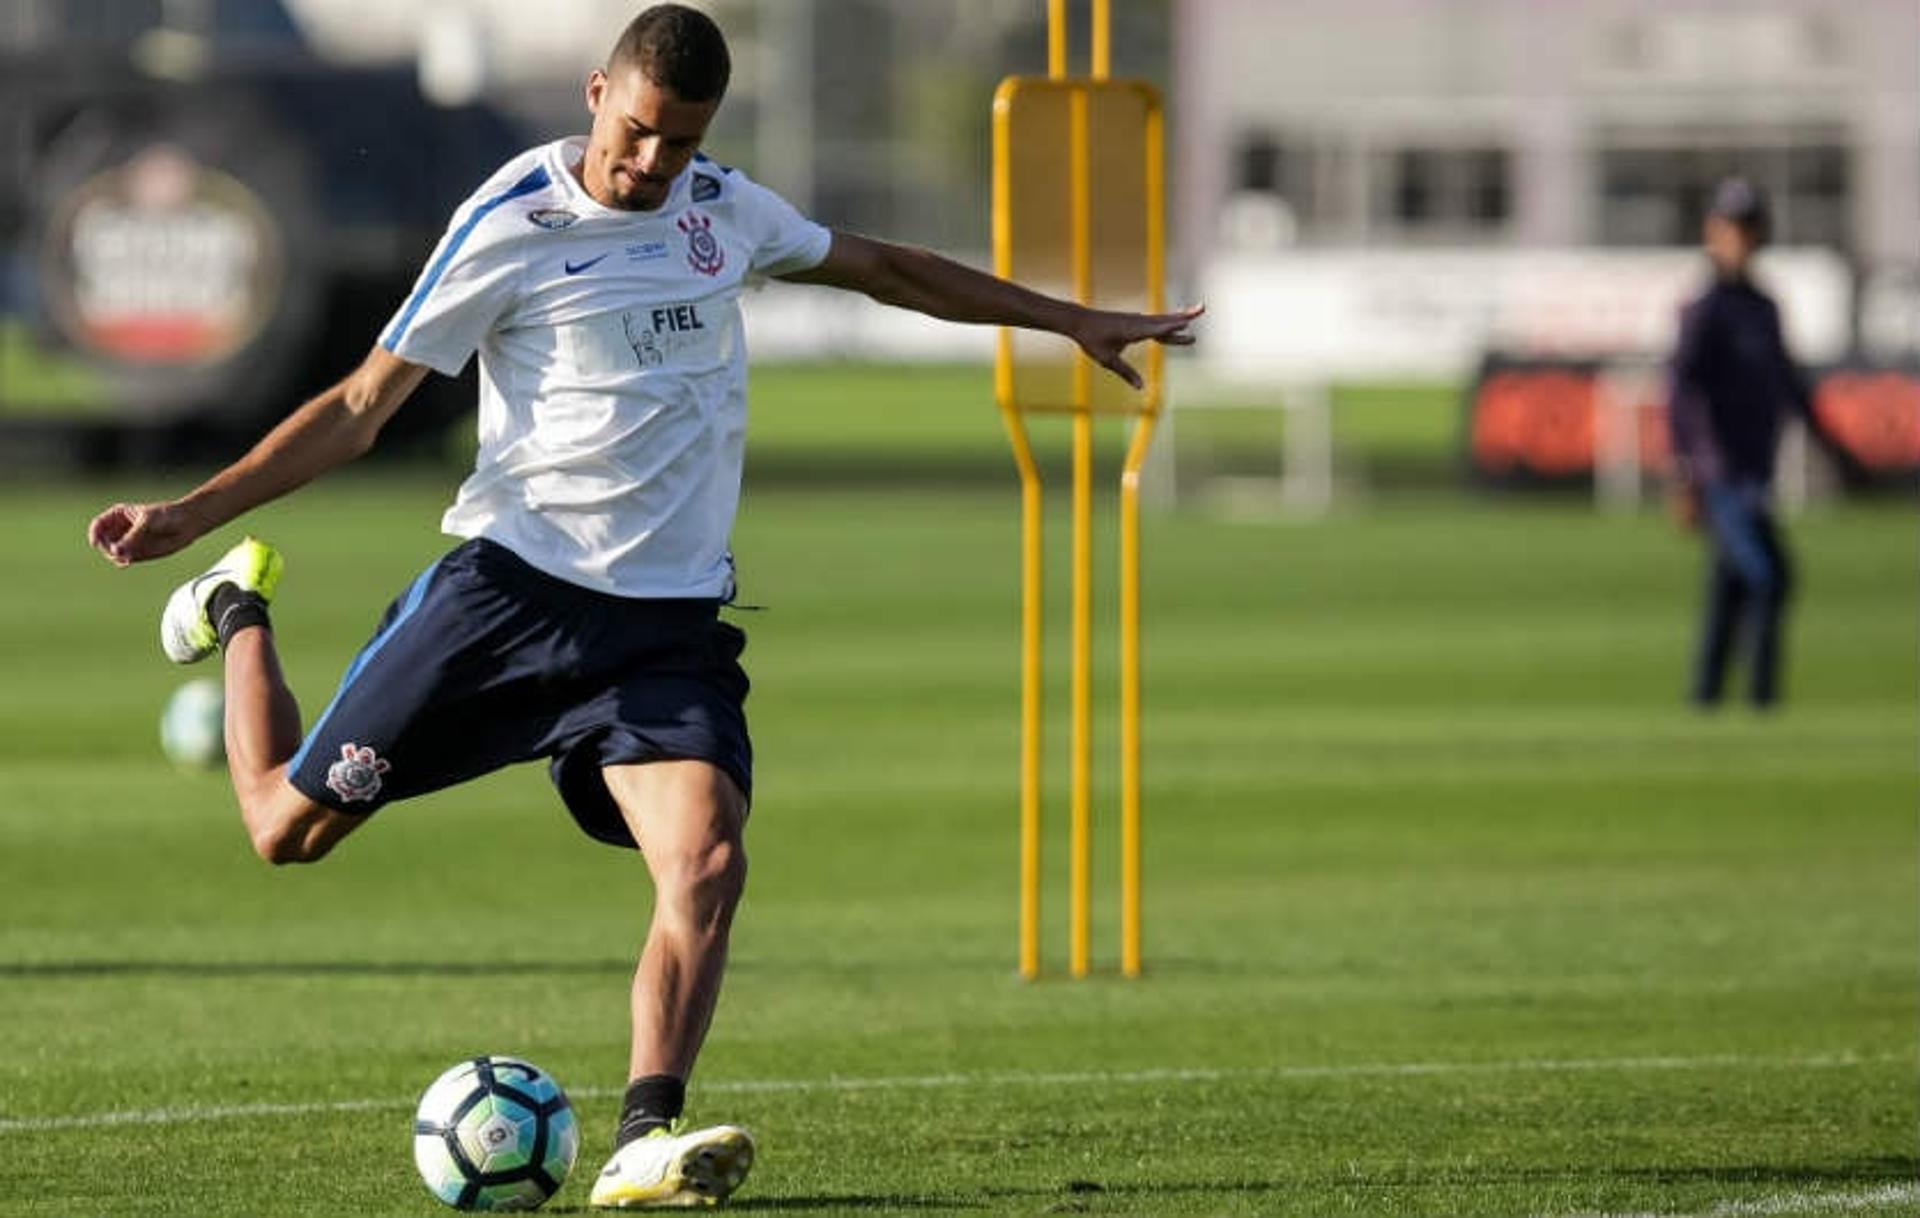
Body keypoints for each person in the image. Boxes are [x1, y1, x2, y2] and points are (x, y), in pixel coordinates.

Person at [85, 5, 1199, 1210]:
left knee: (708, 859)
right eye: (636, 132)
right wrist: (192, 516)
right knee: (282, 831)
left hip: (664, 628)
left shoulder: (723, 207)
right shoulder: (511, 222)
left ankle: (641, 1140)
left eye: (679, 142)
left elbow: (883, 268)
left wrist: (1066, 320)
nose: (651, 164)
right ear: (595, 92)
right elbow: (361, 407)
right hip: (509, 596)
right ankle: (239, 609)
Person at [1666, 177, 1848, 710]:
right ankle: (1763, 700)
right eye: (1731, 228)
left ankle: (1705, 699)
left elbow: (1788, 385)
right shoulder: (1705, 310)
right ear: (1711, 232)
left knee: (1729, 584)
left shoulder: (1764, 308)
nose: (1740, 239)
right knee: (1771, 576)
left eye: (1749, 228)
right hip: (1719, 469)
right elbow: (1680, 390)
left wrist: (1829, 447)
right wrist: (1684, 470)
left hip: (1757, 464)